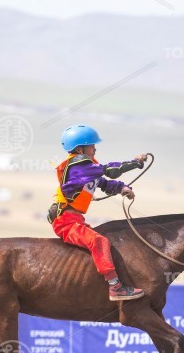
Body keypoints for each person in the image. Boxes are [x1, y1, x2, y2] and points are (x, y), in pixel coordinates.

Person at [49, 125, 147, 301]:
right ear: (80, 149)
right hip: (66, 221)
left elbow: (104, 183)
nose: (95, 149)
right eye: (92, 145)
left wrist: (122, 188)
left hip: (75, 219)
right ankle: (115, 287)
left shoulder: (87, 169)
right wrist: (136, 162)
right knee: (99, 241)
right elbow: (112, 170)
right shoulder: (78, 166)